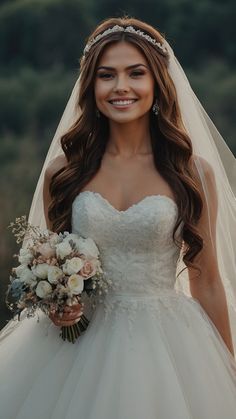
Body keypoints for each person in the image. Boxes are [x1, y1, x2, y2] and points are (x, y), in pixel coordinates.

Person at [1, 16, 236, 419]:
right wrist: (58, 306)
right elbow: (49, 260)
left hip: (170, 344)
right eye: (107, 75)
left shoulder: (193, 172)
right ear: (91, 87)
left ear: (158, 84)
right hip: (76, 348)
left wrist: (229, 366)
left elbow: (208, 280)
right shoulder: (64, 172)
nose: (121, 87)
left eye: (136, 73)